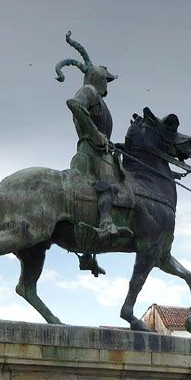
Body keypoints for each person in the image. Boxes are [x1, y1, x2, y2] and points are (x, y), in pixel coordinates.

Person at [56, 31, 130, 274]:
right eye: (107, 80)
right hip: (91, 152)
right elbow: (73, 104)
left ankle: (89, 255)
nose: (108, 85)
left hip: (98, 150)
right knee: (108, 185)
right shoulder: (89, 92)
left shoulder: (98, 98)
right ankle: (107, 225)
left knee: (101, 189)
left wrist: (112, 143)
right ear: (99, 79)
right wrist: (96, 135)